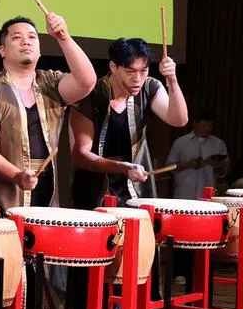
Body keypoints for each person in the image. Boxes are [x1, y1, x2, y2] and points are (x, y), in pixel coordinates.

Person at [0, 13, 96, 309]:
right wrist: (16, 174)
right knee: (2, 278)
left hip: (43, 194)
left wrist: (64, 37)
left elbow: (86, 82)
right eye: (17, 37)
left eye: (33, 37)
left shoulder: (51, 84)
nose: (26, 41)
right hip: (2, 198)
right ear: (1, 49)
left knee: (42, 271)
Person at [69, 37, 189, 209]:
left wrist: (172, 80)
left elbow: (179, 120)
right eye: (130, 71)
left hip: (136, 187)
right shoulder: (91, 95)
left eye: (144, 71)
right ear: (113, 67)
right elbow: (80, 156)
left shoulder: (149, 87)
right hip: (94, 188)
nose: (137, 79)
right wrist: (123, 168)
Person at [165, 109, 228, 200]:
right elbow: (169, 167)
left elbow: (223, 173)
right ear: (195, 123)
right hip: (183, 195)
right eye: (205, 125)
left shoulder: (218, 144)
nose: (208, 129)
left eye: (210, 126)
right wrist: (188, 164)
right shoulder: (180, 143)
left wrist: (217, 165)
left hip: (208, 197)